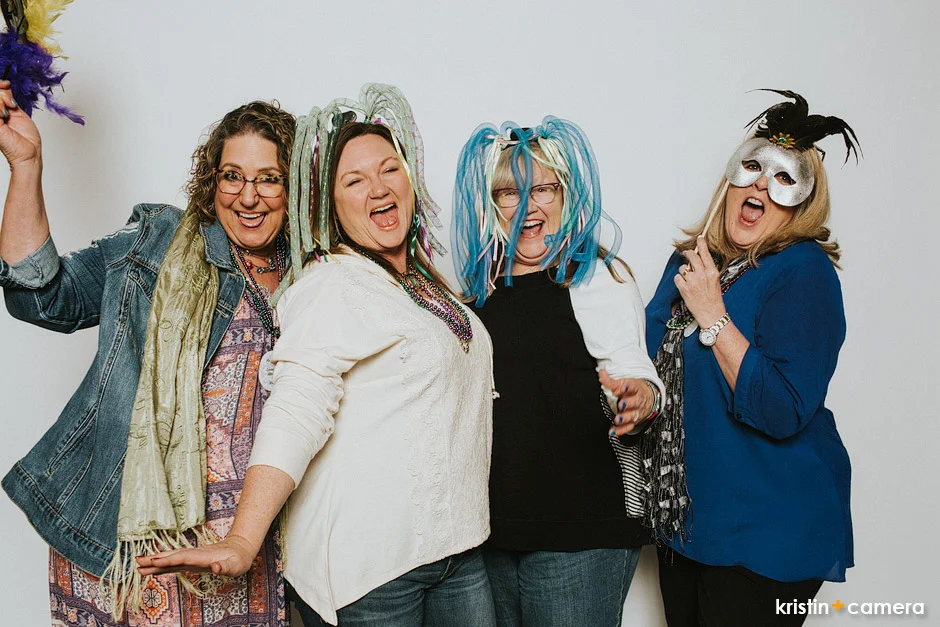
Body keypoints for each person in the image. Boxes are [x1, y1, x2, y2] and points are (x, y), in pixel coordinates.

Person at [138, 84, 497, 627]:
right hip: (375, 573)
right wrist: (243, 539)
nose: (378, 187)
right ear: (330, 203)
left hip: (459, 551)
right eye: (355, 180)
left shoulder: (425, 286)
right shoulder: (332, 284)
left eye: (390, 170)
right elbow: (298, 407)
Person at [0, 80, 296, 626]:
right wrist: (26, 165)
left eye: (269, 179)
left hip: (248, 539)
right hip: (129, 535)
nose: (248, 196)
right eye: (232, 176)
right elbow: (44, 298)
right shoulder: (158, 245)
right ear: (212, 180)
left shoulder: (315, 277)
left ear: (294, 187)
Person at [639, 90, 857, 627]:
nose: (760, 184)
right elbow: (647, 366)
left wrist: (713, 315)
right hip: (687, 522)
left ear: (801, 202)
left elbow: (783, 410)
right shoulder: (693, 262)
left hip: (767, 529)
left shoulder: (803, 272)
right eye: (753, 168)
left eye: (782, 178)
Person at [451, 117, 664, 626]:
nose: (529, 205)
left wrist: (638, 398)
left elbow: (635, 370)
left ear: (565, 197)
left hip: (581, 530)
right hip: (496, 532)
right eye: (510, 192)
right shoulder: (478, 296)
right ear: (492, 205)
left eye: (544, 188)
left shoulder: (595, 279)